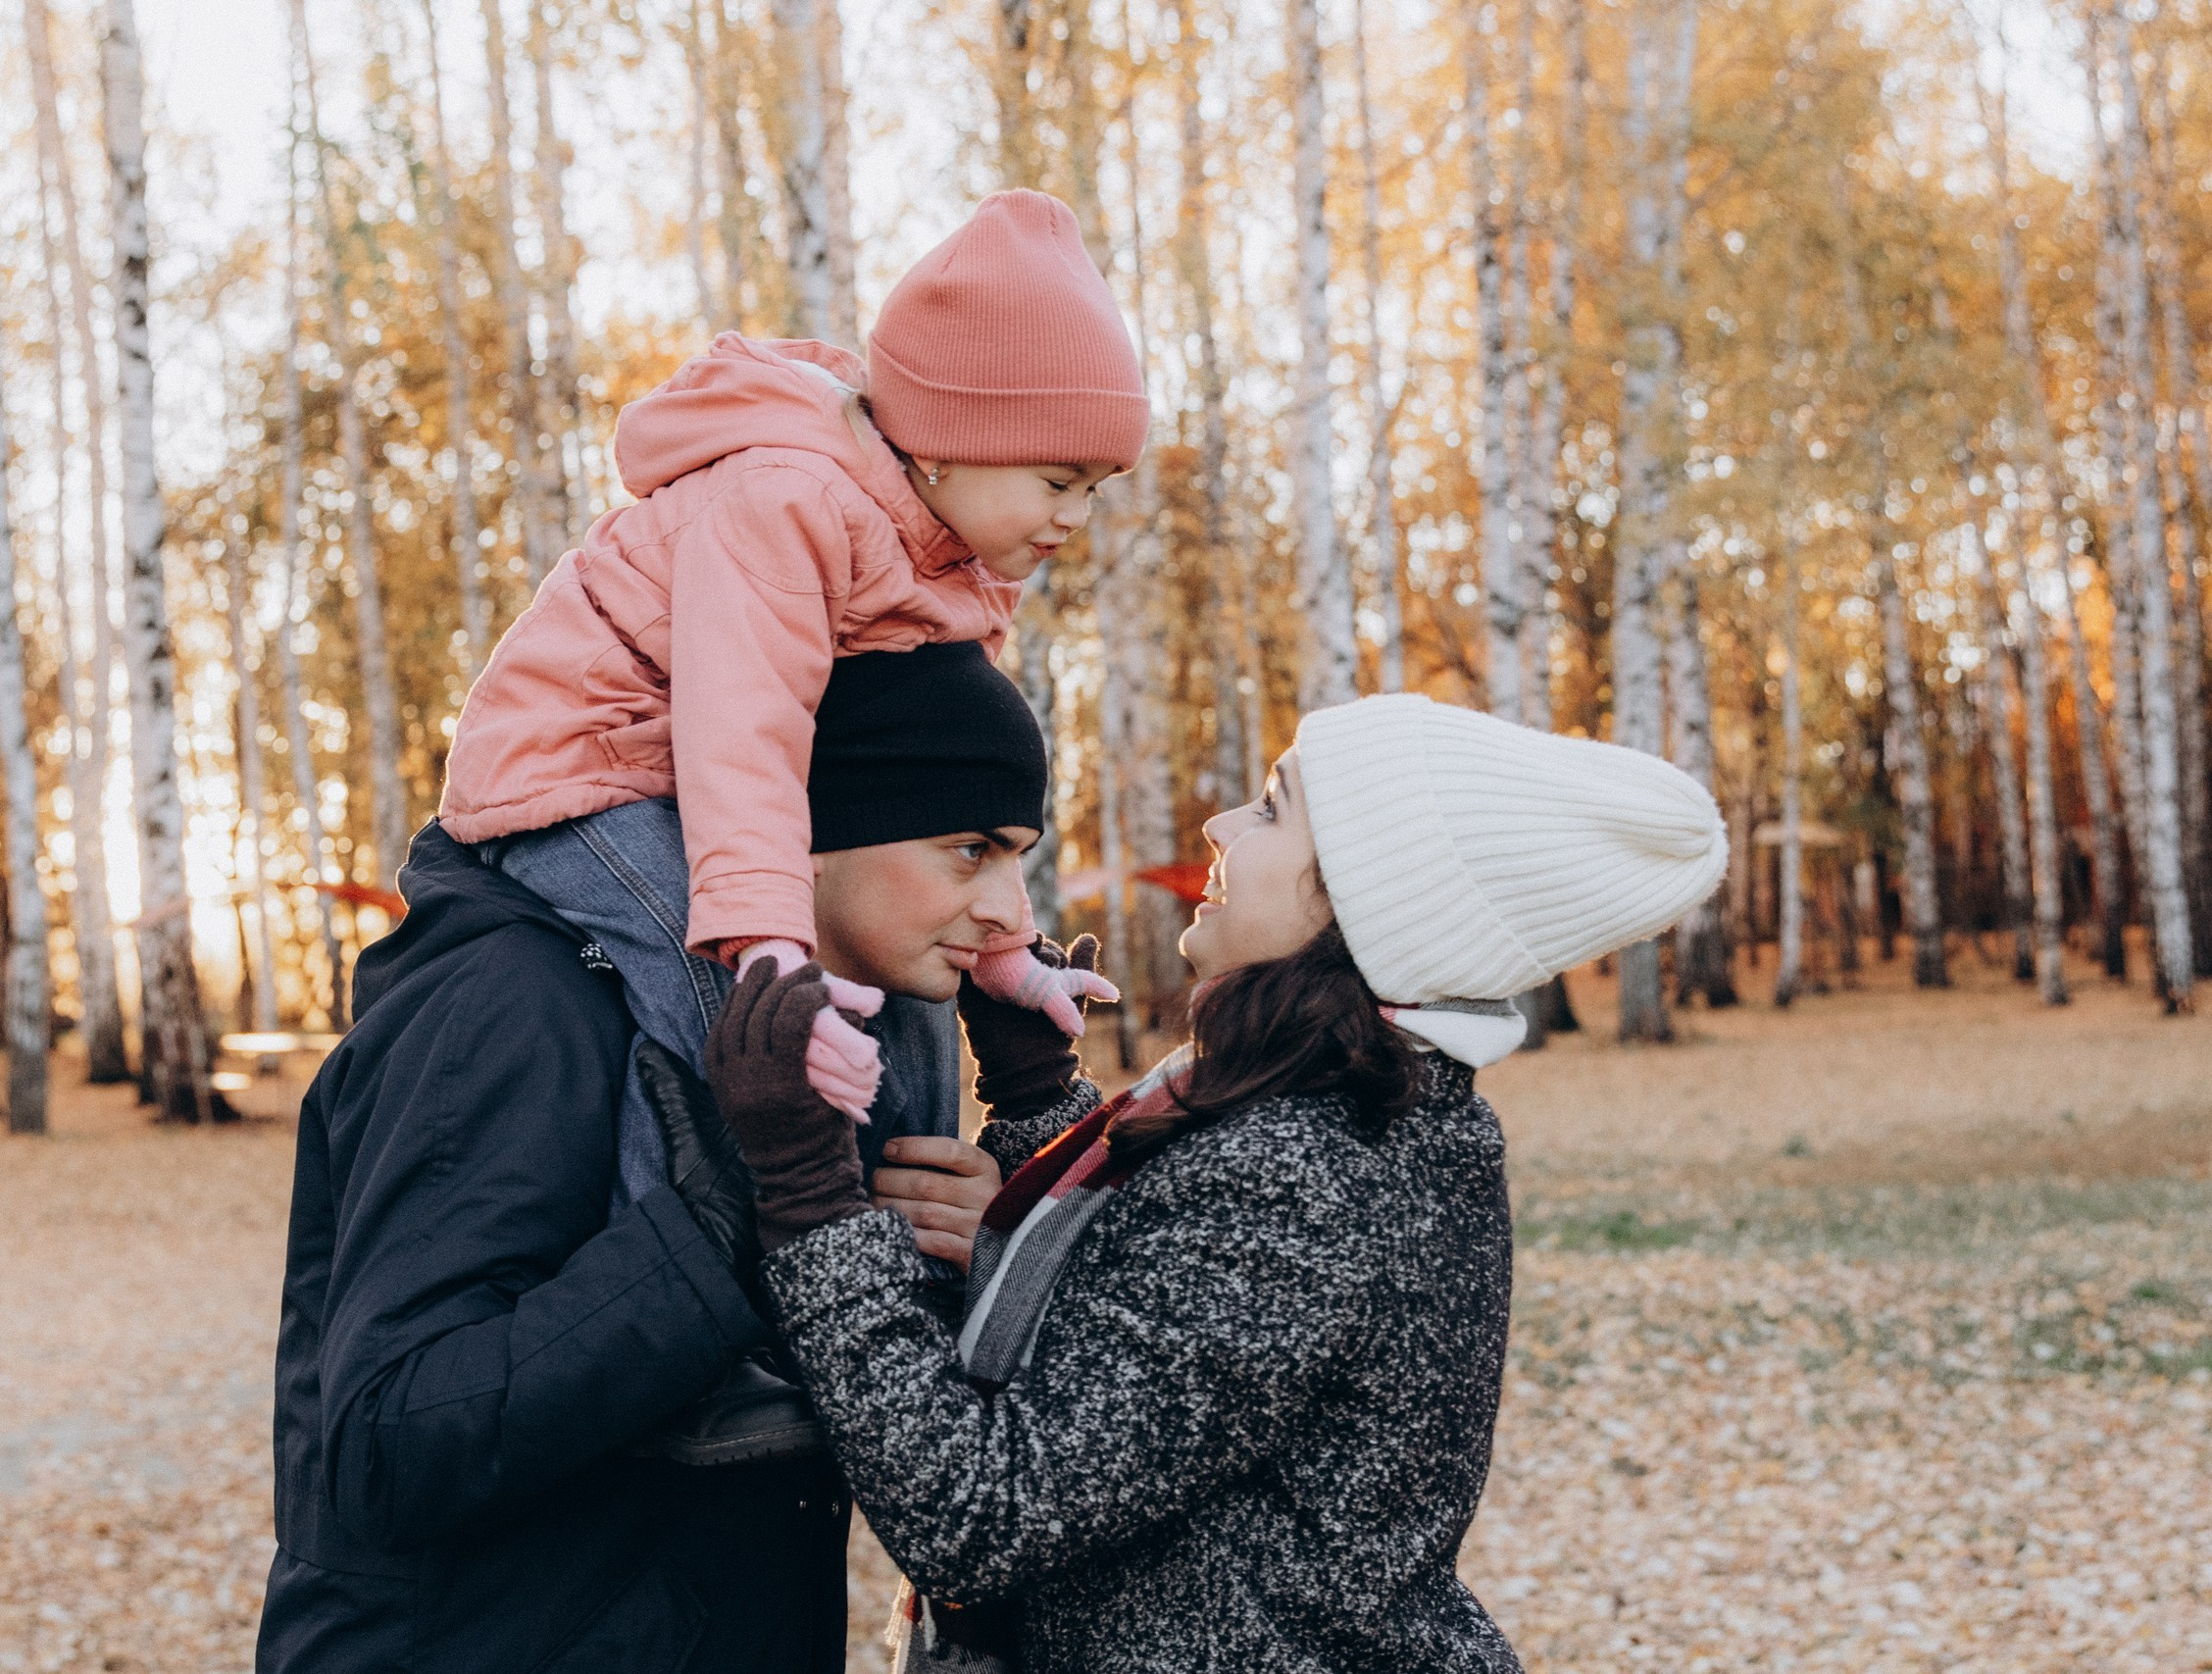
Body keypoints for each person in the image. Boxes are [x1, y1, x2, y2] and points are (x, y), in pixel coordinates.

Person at [682, 693, 1731, 1672]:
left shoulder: (1311, 1175)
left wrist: (807, 1186)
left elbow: (984, 1512)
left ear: (1369, 894)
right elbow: (1150, 1348)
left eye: (1274, 811)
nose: (1225, 827)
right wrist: (1036, 1090)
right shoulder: (1342, 1101)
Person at [255, 644, 1070, 1674]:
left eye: (1018, 860)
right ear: (810, 831)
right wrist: (726, 1225)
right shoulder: (515, 998)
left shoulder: (831, 1042)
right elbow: (386, 1444)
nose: (1013, 913)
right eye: (972, 849)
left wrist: (971, 1262)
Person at [436, 188, 1138, 1144]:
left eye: (1094, 490)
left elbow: (943, 786)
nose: (1075, 518)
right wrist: (769, 952)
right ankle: (700, 1245)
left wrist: (1005, 954)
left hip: (709, 787)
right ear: (946, 442)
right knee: (733, 1021)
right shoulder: (788, 500)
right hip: (584, 768)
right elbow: (744, 733)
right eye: (1057, 484)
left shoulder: (967, 552)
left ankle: (885, 1261)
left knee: (888, 987)